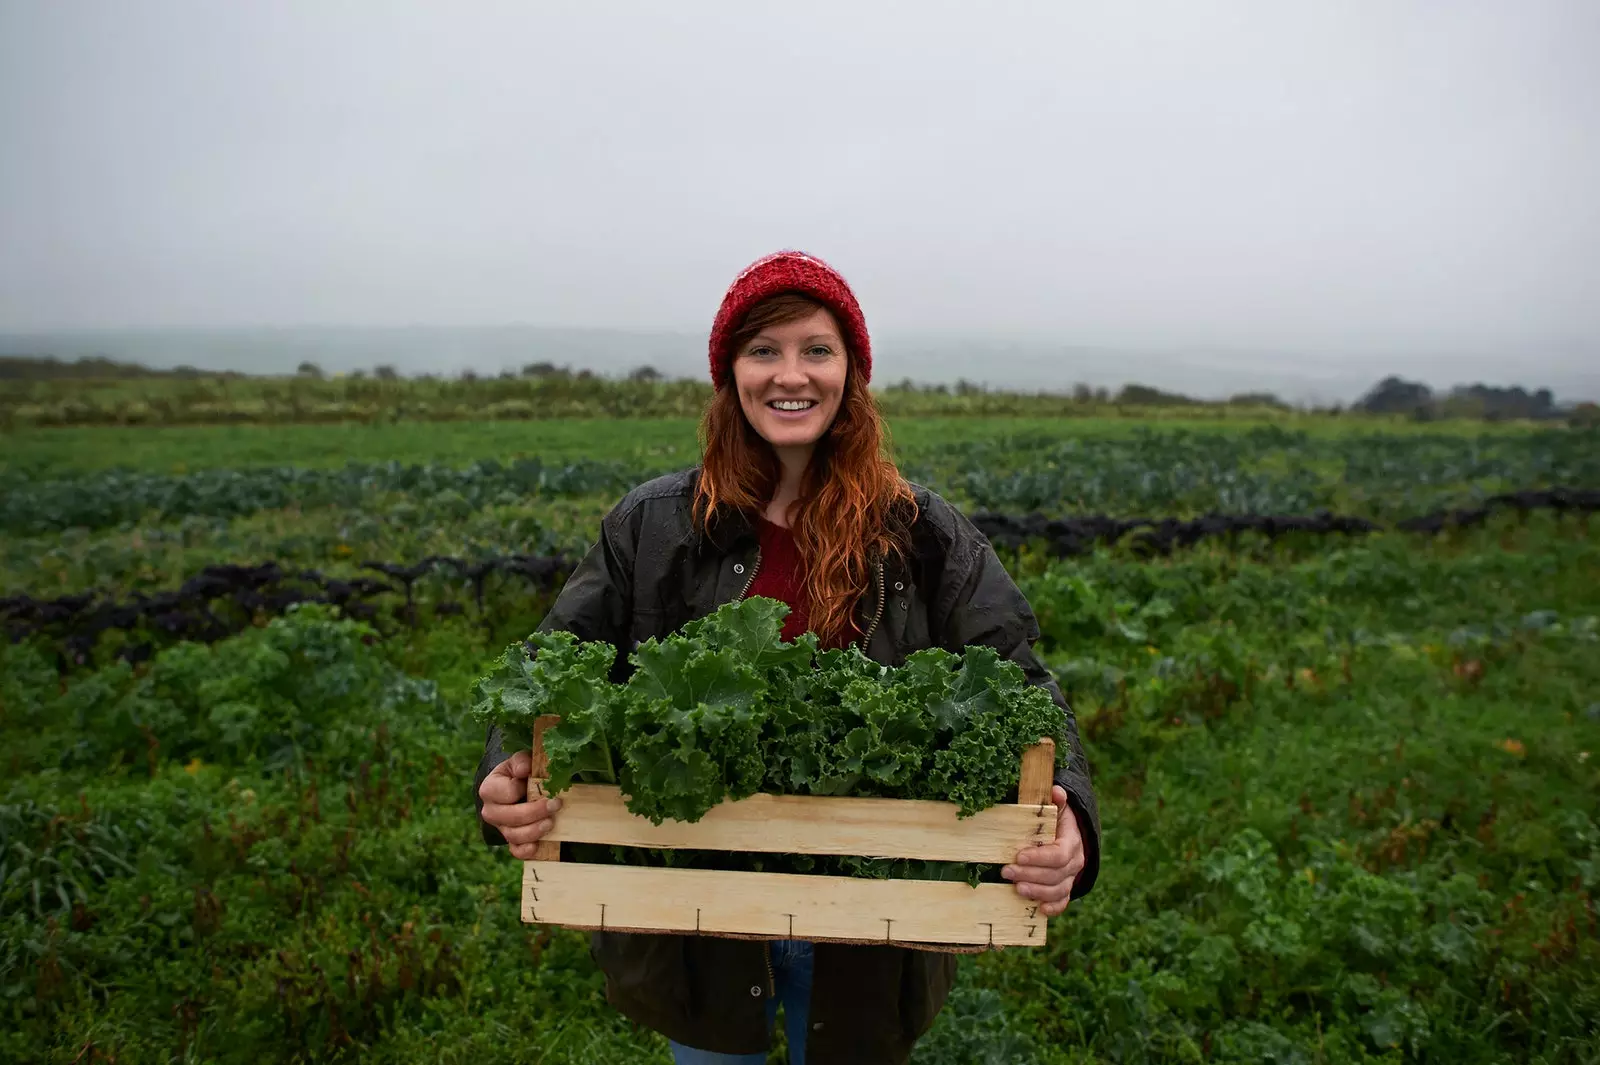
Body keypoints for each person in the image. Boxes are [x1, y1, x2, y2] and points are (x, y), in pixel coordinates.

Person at [475, 250, 1101, 1064]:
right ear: (730, 371)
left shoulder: (924, 532)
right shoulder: (653, 524)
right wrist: (508, 765)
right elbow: (551, 659)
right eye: (763, 350)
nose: (789, 374)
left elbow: (1021, 681)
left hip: (871, 928)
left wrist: (1074, 820)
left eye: (817, 348)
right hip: (697, 913)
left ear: (852, 371)